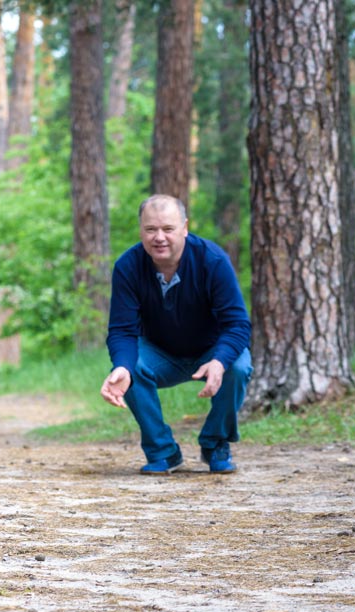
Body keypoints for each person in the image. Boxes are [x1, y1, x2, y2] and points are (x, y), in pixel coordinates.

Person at [100, 194, 252, 474]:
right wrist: (121, 366)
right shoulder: (128, 266)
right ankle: (162, 452)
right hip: (160, 355)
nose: (159, 237)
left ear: (185, 228)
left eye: (168, 229)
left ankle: (216, 443)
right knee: (129, 368)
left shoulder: (213, 260)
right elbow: (122, 330)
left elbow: (238, 324)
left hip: (210, 352)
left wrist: (219, 361)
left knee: (239, 366)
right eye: (151, 229)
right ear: (141, 231)